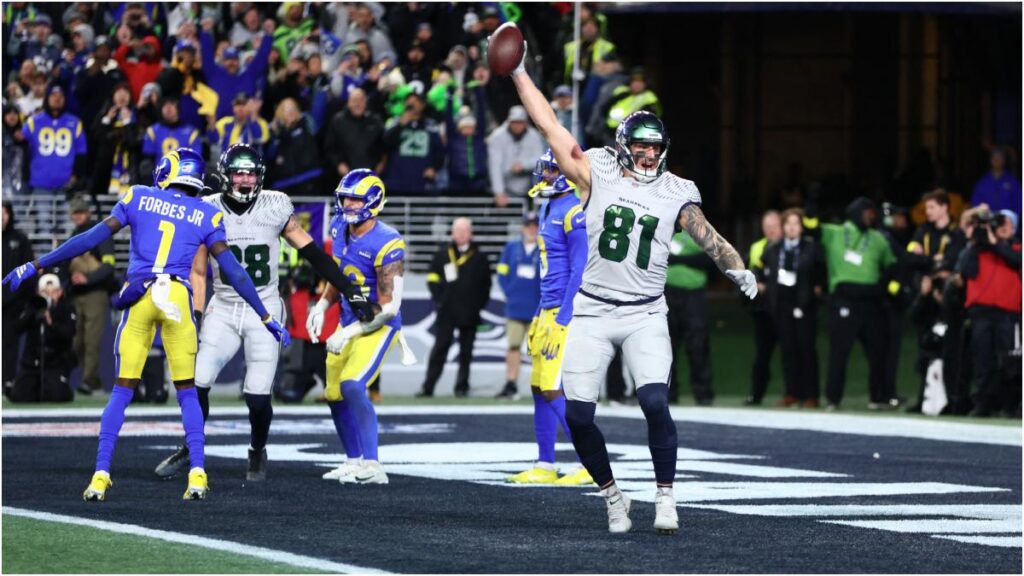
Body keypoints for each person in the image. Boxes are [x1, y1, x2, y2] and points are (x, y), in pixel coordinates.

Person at [504, 23, 757, 534]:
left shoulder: (675, 189)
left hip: (645, 312)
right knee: (578, 415)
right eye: (640, 147)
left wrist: (738, 268)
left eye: (654, 148)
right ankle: (613, 496)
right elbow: (551, 127)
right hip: (594, 307)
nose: (647, 155)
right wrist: (518, 75)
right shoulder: (596, 169)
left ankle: (666, 497)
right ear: (623, 146)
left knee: (654, 401)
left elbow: (706, 234)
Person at [2, 148, 290, 502]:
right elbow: (233, 271)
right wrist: (264, 314)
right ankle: (197, 474)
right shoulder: (206, 212)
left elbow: (88, 239)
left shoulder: (138, 196)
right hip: (178, 300)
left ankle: (100, 476)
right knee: (188, 394)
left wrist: (36, 265)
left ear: (167, 172)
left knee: (122, 391)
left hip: (141, 296)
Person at [153, 144, 374, 482]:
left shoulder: (275, 205)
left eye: (251, 173)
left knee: (257, 397)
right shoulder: (207, 208)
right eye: (239, 173)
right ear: (225, 176)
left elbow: (313, 253)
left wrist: (349, 289)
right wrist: (196, 313)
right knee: (196, 383)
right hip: (224, 307)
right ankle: (191, 448)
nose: (245, 179)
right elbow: (198, 272)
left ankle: (257, 449)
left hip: (265, 308)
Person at [307, 169, 409, 484]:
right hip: (347, 319)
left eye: (355, 198)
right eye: (346, 197)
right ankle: (354, 460)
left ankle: (374, 464)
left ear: (373, 202)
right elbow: (340, 276)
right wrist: (323, 305)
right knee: (334, 393)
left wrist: (350, 331)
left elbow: (390, 305)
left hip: (379, 325)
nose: (348, 204)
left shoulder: (387, 240)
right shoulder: (340, 227)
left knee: (352, 384)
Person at [504, 150, 593, 486]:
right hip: (548, 307)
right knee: (539, 388)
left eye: (551, 171)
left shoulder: (573, 210)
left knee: (554, 389)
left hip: (565, 310)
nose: (544, 178)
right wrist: (543, 312)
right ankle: (545, 462)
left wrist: (564, 316)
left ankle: (591, 463)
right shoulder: (547, 206)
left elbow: (579, 268)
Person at [803, 196, 897, 411]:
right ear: (856, 213)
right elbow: (813, 229)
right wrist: (810, 210)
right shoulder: (835, 233)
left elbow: (891, 266)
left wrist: (885, 288)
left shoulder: (878, 238)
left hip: (871, 302)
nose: (871, 218)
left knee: (877, 352)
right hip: (844, 299)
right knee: (839, 352)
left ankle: (878, 397)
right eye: (868, 213)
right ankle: (833, 399)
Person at [957, 208, 1021, 417]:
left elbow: (1017, 261)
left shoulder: (1016, 247)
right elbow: (966, 270)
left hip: (1008, 312)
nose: (1003, 227)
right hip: (981, 312)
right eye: (999, 223)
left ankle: (1011, 405)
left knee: (1011, 361)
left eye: (1007, 224)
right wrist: (973, 242)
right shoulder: (979, 248)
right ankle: (984, 403)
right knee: (983, 360)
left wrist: (995, 244)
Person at [419, 217, 493, 398]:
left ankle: (462, 387)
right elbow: (432, 279)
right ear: (452, 233)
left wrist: (477, 307)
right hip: (447, 312)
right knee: (439, 350)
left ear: (471, 233)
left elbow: (486, 286)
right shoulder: (443, 254)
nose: (460, 234)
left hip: (470, 313)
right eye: (457, 230)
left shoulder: (480, 257)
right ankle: (428, 386)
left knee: (466, 353)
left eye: (464, 230)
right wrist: (440, 300)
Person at [757, 209, 823, 407]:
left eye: (796, 223)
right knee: (788, 350)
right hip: (782, 304)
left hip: (804, 304)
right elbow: (760, 268)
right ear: (783, 227)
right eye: (788, 223)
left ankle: (811, 395)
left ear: (802, 227)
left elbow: (820, 271)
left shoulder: (811, 247)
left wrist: (817, 290)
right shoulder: (773, 248)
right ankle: (792, 393)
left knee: (807, 350)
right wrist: (761, 282)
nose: (792, 227)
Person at [904, 190, 959, 412]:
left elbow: (953, 261)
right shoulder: (923, 231)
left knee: (949, 349)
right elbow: (911, 257)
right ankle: (924, 399)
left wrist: (931, 263)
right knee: (924, 347)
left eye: (932, 207)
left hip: (947, 298)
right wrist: (934, 262)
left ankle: (950, 399)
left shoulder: (955, 232)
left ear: (945, 207)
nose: (928, 212)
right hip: (926, 295)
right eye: (927, 208)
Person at [67, 196, 117, 396]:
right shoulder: (74, 233)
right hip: (76, 294)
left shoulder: (101, 233)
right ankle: (93, 379)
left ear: (88, 213)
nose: (77, 216)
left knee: (91, 341)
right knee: (77, 341)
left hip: (96, 293)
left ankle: (88, 381)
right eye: (74, 213)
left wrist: (87, 278)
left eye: (80, 212)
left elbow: (109, 266)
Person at [22, 84, 88, 232]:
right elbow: (21, 146)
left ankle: (68, 256)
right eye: (53, 95)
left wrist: (76, 175)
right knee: (44, 225)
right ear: (47, 98)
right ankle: (45, 256)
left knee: (68, 226)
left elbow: (81, 153)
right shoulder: (33, 121)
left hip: (66, 185)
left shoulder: (75, 123)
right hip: (41, 183)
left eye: (61, 96)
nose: (57, 99)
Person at [665, 230, 716, 405]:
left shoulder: (702, 232)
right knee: (667, 346)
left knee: (698, 346)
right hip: (667, 293)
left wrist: (676, 259)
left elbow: (708, 260)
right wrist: (692, 257)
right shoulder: (664, 226)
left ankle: (703, 395)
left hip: (695, 296)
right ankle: (669, 394)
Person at [494, 212, 542, 401]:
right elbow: (501, 272)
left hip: (537, 308)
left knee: (537, 350)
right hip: (515, 306)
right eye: (528, 225)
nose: (531, 228)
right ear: (523, 227)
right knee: (513, 346)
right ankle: (511, 383)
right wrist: (510, 292)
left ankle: (540, 384)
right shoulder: (512, 247)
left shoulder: (545, 246)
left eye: (535, 225)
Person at [9, 273, 76, 403]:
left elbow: (69, 335)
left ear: (60, 292)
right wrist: (32, 313)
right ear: (38, 293)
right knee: (19, 396)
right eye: (44, 292)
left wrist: (51, 323)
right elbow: (16, 329)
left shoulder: (66, 308)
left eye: (53, 292)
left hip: (55, 363)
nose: (49, 296)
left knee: (56, 396)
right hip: (31, 363)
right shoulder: (32, 307)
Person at [744, 211, 782, 406]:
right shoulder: (757, 247)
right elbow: (750, 273)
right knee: (761, 356)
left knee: (791, 354)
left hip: (785, 308)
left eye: (774, 225)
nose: (770, 230)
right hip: (764, 310)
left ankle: (796, 395)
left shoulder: (788, 245)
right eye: (766, 226)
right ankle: (756, 394)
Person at [380, 91, 444, 196]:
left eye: (415, 102)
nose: (411, 105)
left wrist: (434, 167)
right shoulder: (395, 122)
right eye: (409, 102)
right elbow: (385, 144)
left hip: (422, 182)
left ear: (422, 105)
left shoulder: (431, 126)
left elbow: (440, 151)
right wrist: (400, 126)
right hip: (397, 182)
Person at [2, 201, 35, 396]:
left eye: (4, 212)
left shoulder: (20, 239)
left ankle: (7, 381)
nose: (1, 217)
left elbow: (28, 269)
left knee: (9, 345)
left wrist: (23, 298)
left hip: (12, 303)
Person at [487, 105, 546, 207]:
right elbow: (495, 167)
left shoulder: (534, 135)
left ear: (525, 122)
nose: (517, 125)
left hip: (528, 188)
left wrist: (523, 165)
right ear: (509, 121)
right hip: (505, 187)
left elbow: (541, 160)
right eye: (514, 122)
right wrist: (499, 192)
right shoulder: (496, 137)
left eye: (520, 122)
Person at [323, 88, 386, 179]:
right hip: (346, 177)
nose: (358, 104)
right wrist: (339, 164)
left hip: (372, 176)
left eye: (361, 100)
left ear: (366, 102)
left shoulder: (375, 121)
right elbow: (330, 148)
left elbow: (384, 146)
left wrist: (381, 165)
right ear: (348, 103)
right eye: (354, 101)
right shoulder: (338, 121)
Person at [142, 97, 200, 162]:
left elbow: (195, 160)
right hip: (159, 171)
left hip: (184, 171)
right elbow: (147, 161)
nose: (168, 107)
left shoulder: (191, 132)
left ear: (178, 108)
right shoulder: (152, 131)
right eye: (165, 104)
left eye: (172, 104)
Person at [971, 147, 1021, 221]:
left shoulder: (1012, 181)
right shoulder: (983, 182)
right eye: (994, 157)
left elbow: (1019, 203)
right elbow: (976, 204)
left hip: (1008, 223)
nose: (996, 160)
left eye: (999, 157)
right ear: (990, 160)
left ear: (1004, 160)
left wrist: (1013, 220)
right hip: (988, 222)